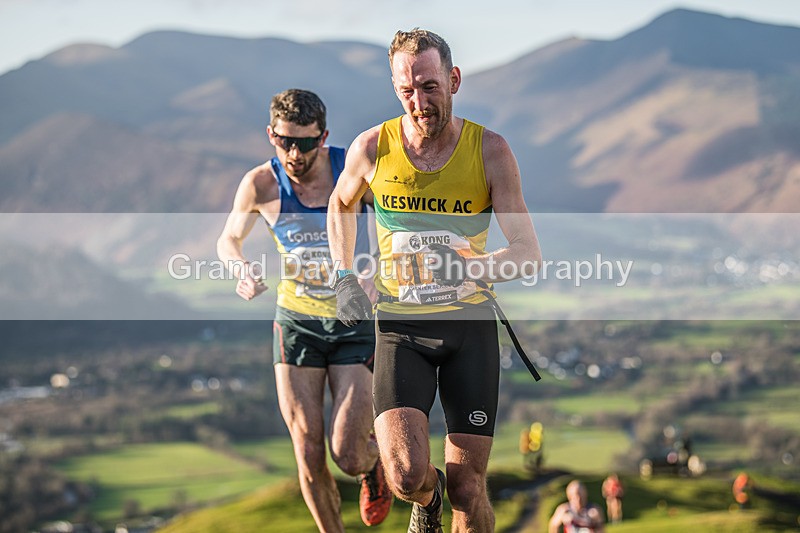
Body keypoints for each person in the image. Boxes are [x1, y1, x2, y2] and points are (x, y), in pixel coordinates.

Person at [327, 29, 542, 532]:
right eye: (406, 91)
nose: (419, 103)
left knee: (470, 489)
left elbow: (528, 254)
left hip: (469, 328)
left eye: (429, 87)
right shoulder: (372, 147)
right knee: (405, 474)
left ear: (454, 80)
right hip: (400, 327)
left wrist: (471, 268)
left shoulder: (490, 151)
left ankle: (452, 497)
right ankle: (428, 501)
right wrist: (342, 275)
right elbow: (341, 203)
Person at [216, 88, 391, 531]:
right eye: (284, 141)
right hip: (297, 324)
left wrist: (378, 272)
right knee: (308, 450)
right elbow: (228, 238)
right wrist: (240, 269)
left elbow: (394, 223)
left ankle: (373, 468)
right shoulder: (261, 183)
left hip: (353, 322)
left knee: (347, 454)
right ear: (270, 134)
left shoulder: (348, 170)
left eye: (306, 143)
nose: (294, 153)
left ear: (324, 136)